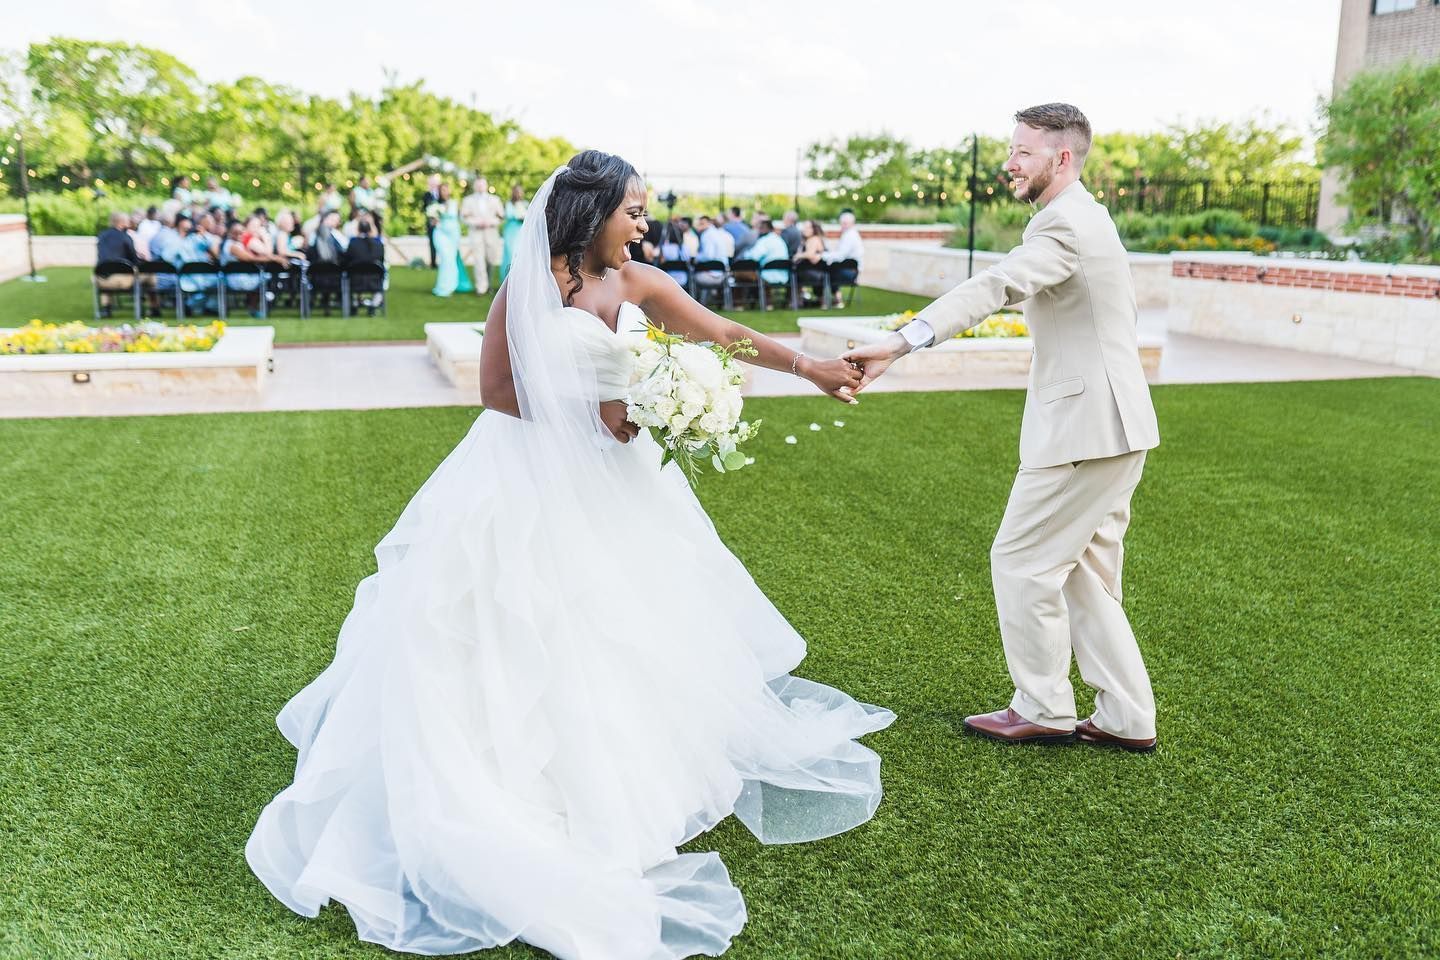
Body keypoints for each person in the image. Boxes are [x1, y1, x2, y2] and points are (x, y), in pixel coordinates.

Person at [246, 149, 887, 960]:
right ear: (591, 215)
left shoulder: (640, 284)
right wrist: (606, 405)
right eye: (635, 212)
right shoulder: (529, 286)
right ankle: (521, 780)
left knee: (628, 618)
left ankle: (632, 770)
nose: (645, 226)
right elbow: (496, 392)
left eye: (646, 213)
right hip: (521, 475)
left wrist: (811, 368)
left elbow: (722, 334)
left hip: (616, 482)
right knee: (513, 616)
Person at [845, 103, 1162, 753]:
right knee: (1082, 575)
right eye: (1012, 150)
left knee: (1021, 561)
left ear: (1062, 158)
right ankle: (1127, 717)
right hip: (1116, 426)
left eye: (1022, 151)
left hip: (1084, 429)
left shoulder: (1063, 226)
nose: (1009, 163)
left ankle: (1043, 707)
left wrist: (904, 339)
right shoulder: (1088, 217)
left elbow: (997, 285)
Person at [460, 177, 505, 294]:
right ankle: (481, 287)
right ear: (475, 186)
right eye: (478, 185)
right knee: (479, 260)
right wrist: (476, 222)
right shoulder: (468, 200)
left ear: (486, 186)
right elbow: (464, 217)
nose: (480, 187)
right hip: (476, 234)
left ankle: (489, 284)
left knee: (491, 259)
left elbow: (501, 216)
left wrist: (491, 222)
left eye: (482, 185)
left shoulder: (495, 199)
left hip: (491, 233)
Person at [431, 182, 473, 297]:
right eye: (442, 190)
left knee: (451, 259)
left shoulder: (455, 204)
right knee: (446, 258)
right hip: (440, 234)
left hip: (453, 234)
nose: (444, 192)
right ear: (439, 192)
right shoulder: (434, 205)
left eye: (446, 189)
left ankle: (450, 285)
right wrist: (435, 220)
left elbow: (462, 218)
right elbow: (432, 222)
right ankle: (444, 287)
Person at [95, 211, 138, 315]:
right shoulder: (126, 237)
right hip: (123, 281)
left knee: (105, 272)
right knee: (149, 276)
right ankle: (153, 307)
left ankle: (106, 307)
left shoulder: (102, 236)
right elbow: (134, 259)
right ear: (122, 223)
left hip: (102, 281)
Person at [822, 210, 864, 307]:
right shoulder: (850, 234)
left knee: (827, 272)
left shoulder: (850, 236)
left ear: (852, 223)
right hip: (851, 271)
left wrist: (823, 255)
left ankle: (834, 300)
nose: (843, 225)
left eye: (845, 223)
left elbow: (840, 256)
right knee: (831, 269)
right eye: (842, 223)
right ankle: (836, 299)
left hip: (850, 272)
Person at [794, 219, 828, 306]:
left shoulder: (814, 239)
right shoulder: (807, 240)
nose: (804, 229)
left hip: (813, 272)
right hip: (815, 272)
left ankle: (796, 301)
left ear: (814, 229)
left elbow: (810, 255)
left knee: (793, 274)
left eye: (807, 227)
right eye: (804, 227)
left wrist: (798, 256)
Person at [747, 217, 790, 287]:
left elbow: (754, 257)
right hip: (783, 277)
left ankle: (738, 298)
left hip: (766, 277)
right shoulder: (780, 239)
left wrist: (745, 254)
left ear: (762, 229)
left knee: (738, 273)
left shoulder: (764, 241)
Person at [499, 183, 527, 281]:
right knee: (510, 254)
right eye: (516, 191)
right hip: (511, 232)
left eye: (520, 191)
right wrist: (519, 217)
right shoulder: (508, 204)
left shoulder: (525, 204)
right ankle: (507, 279)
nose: (518, 193)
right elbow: (509, 215)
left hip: (521, 232)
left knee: (520, 255)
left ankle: (519, 279)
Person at [422, 174, 443, 269]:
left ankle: (443, 261)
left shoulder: (442, 194)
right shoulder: (426, 195)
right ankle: (433, 263)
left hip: (442, 223)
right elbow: (424, 208)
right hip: (431, 223)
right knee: (432, 243)